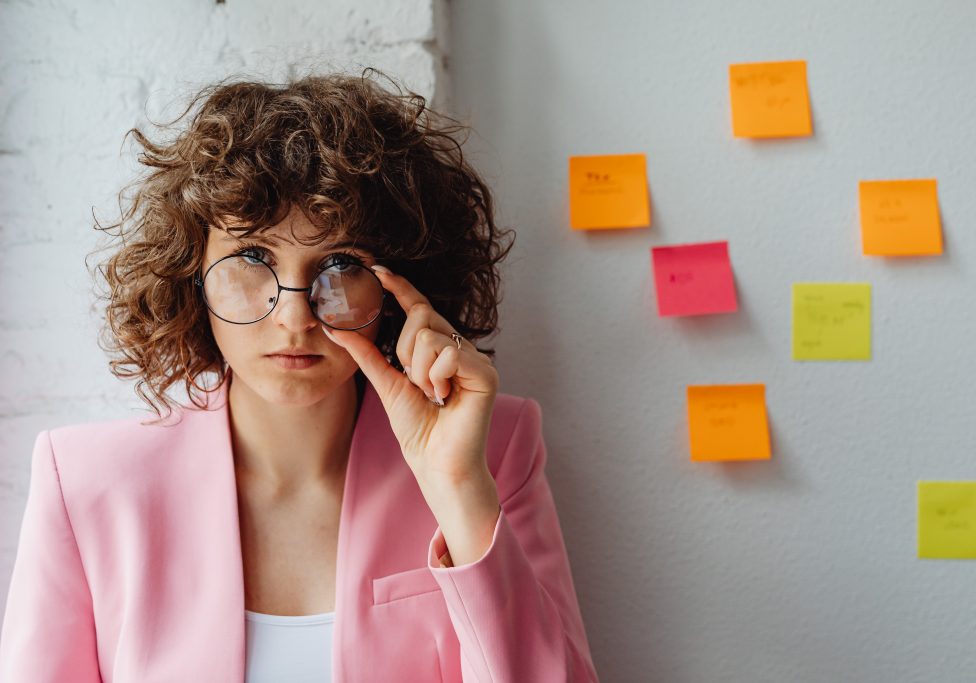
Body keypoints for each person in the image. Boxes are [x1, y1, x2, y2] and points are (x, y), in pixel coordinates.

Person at [0, 69, 600, 682]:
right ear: (189, 273)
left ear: (397, 287)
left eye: (339, 266)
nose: (293, 316)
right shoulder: (85, 483)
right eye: (251, 260)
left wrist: (459, 489)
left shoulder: (495, 450)